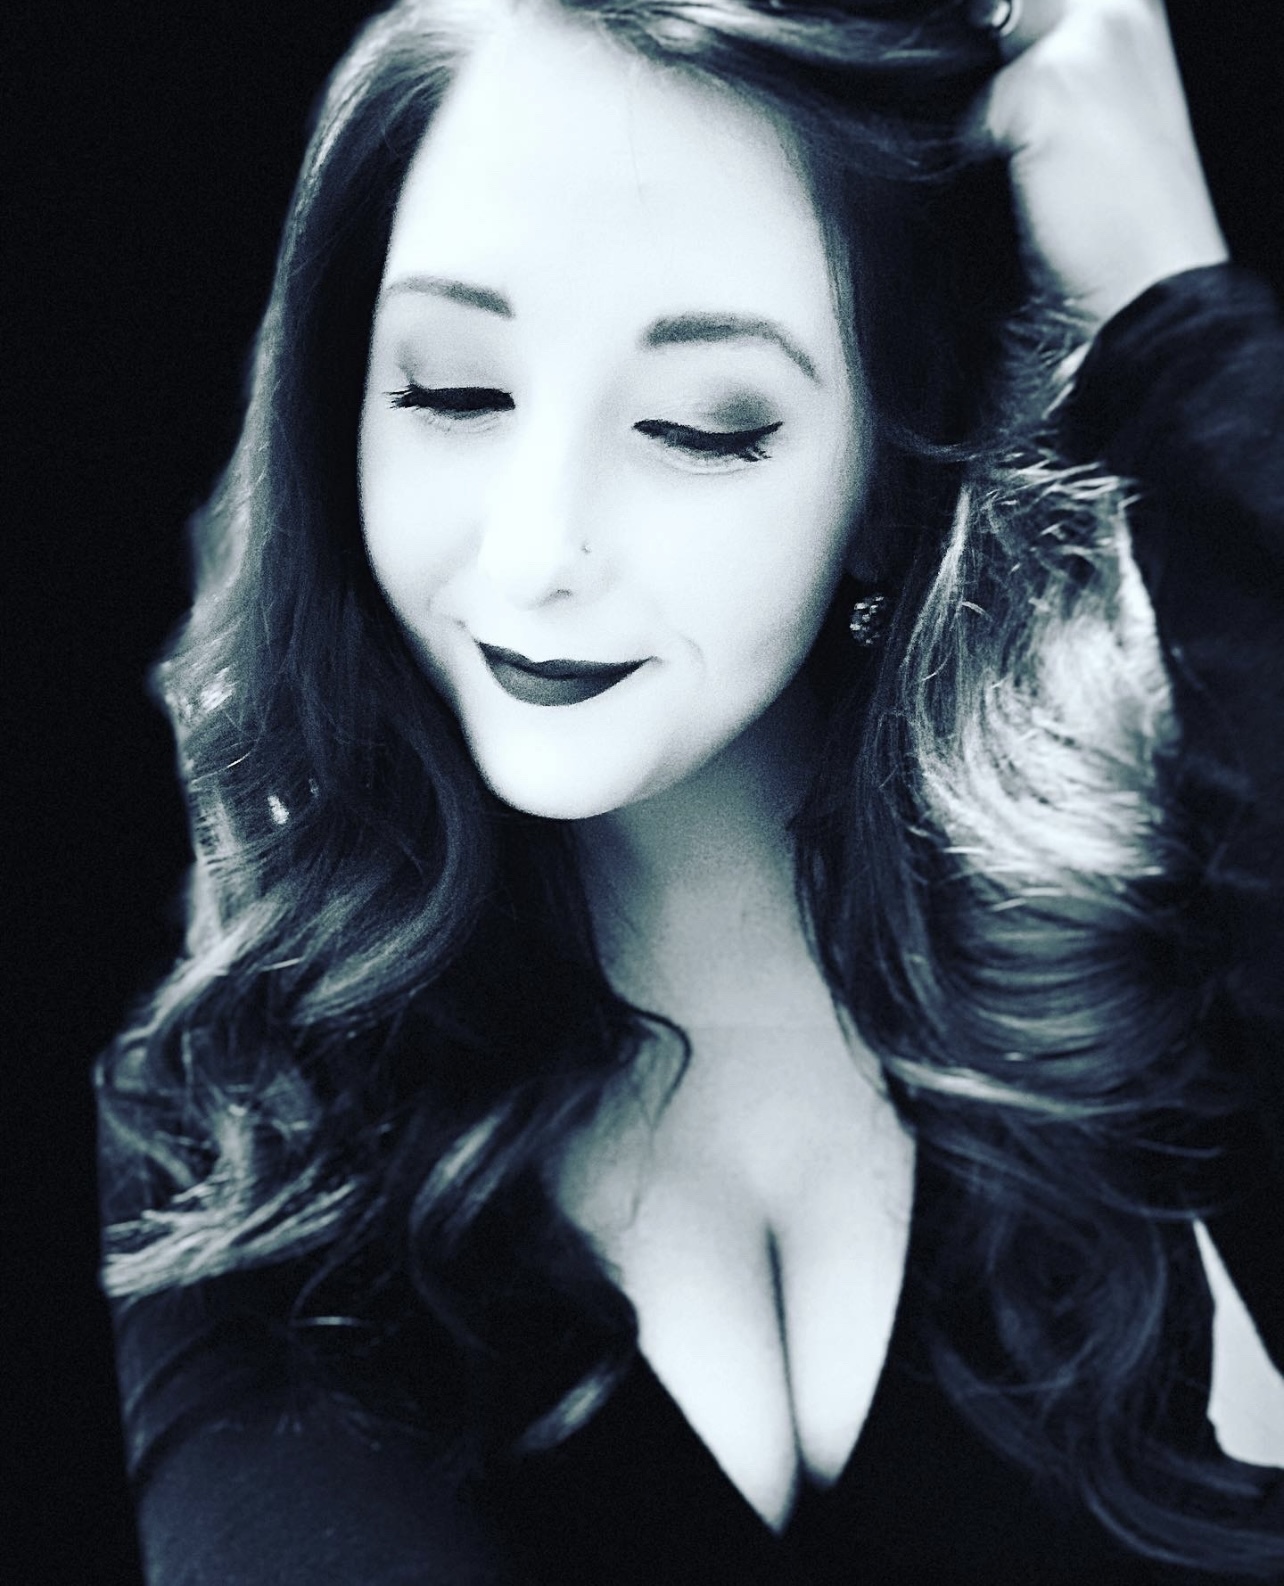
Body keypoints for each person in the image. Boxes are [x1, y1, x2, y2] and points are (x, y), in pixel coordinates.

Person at [97, 0, 1284, 1579]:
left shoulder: (1159, 956)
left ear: (891, 480)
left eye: (699, 424)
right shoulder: (247, 1113)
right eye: (452, 393)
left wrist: (1170, 321)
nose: (538, 549)